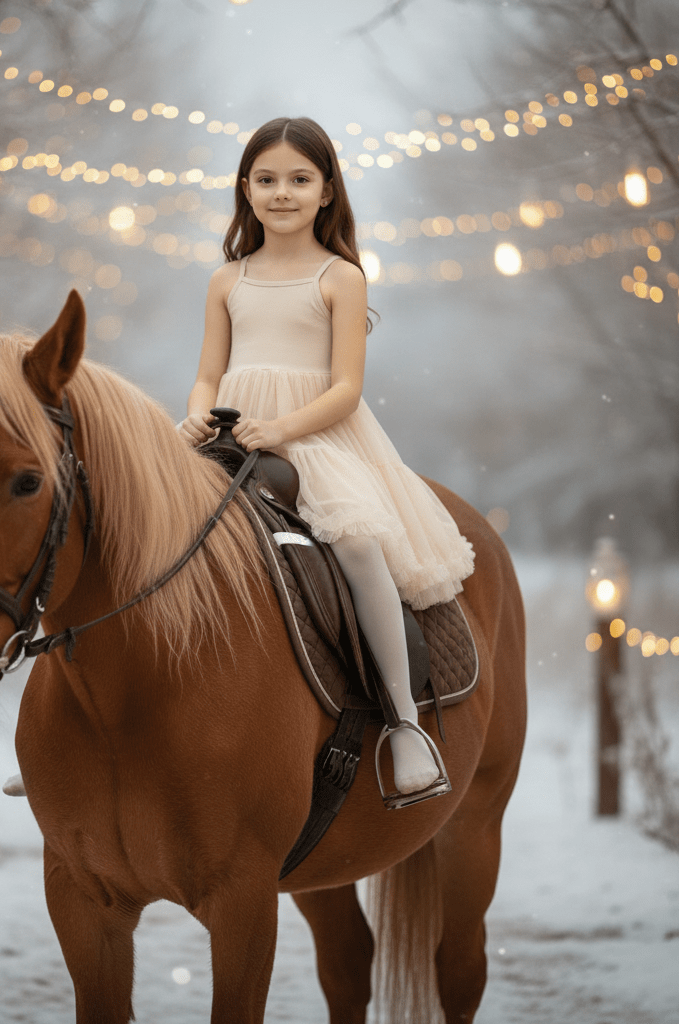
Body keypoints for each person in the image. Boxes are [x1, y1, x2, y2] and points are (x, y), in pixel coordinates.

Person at [178, 116, 475, 808]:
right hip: (228, 430)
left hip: (313, 437)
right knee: (126, 519)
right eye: (268, 179)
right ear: (245, 189)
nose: (282, 193)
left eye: (299, 180)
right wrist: (198, 410)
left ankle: (403, 720)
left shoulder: (341, 278)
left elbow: (345, 389)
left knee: (360, 545)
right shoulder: (227, 280)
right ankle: (78, 725)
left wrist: (279, 428)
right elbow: (208, 372)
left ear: (326, 190)